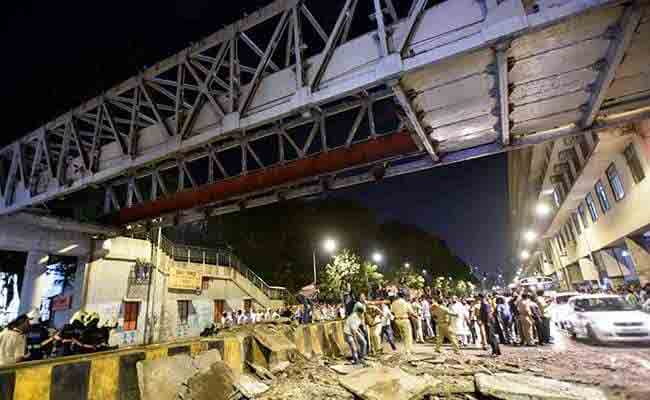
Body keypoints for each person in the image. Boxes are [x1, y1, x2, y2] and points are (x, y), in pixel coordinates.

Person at [391, 291, 416, 356]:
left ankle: (406, 349)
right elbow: (411, 312)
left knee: (403, 336)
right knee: (408, 336)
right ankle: (408, 350)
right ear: (404, 296)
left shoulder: (394, 303)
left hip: (397, 320)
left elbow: (392, 312)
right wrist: (416, 316)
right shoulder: (405, 303)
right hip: (404, 320)